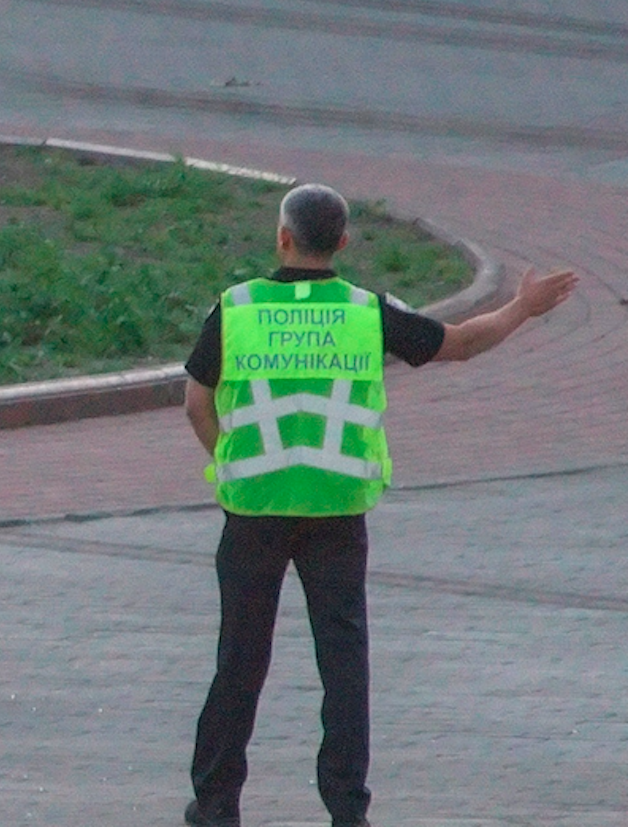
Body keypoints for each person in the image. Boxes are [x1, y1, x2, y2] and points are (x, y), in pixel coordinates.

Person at [181, 184, 576, 827]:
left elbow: (197, 402)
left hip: (254, 508)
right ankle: (346, 809)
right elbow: (462, 342)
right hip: (337, 509)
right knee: (343, 662)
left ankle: (217, 803)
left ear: (282, 238)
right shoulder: (366, 311)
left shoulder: (237, 308)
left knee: (240, 659)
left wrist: (229, 465)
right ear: (342, 243)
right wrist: (523, 307)